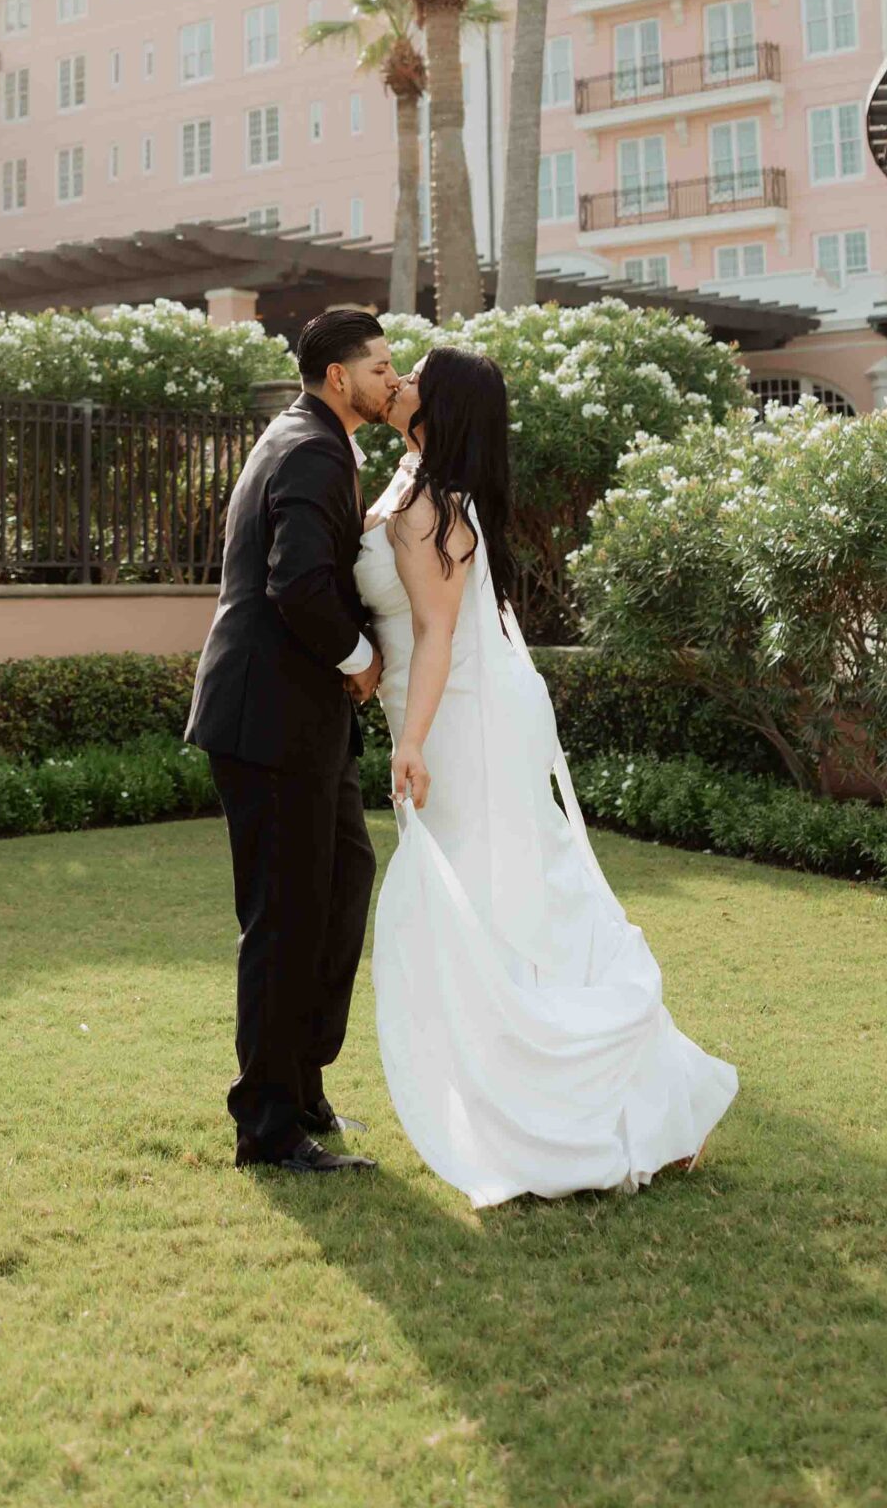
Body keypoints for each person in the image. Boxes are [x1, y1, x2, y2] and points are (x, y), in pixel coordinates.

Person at [360, 346, 739, 1206]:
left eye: (412, 372)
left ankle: (597, 1105)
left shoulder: (430, 506)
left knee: (502, 903)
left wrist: (411, 740)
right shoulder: (412, 481)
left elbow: (436, 633)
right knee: (496, 896)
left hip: (461, 719)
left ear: (438, 403)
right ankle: (600, 1099)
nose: (399, 380)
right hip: (445, 705)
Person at [185, 305, 397, 1175]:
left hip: (298, 722)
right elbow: (298, 583)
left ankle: (301, 1082)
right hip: (270, 721)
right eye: (380, 366)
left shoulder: (308, 437)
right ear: (338, 377)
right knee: (284, 919)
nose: (392, 378)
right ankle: (267, 1126)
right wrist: (359, 657)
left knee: (342, 881)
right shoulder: (309, 447)